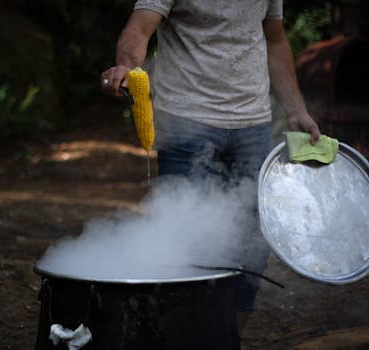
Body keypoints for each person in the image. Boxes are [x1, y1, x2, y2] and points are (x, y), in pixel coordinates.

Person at [101, 0, 321, 345]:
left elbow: (274, 39)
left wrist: (296, 109)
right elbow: (140, 27)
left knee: (253, 240)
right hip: (186, 119)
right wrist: (127, 67)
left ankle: (228, 339)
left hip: (254, 122)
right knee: (181, 241)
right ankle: (177, 338)